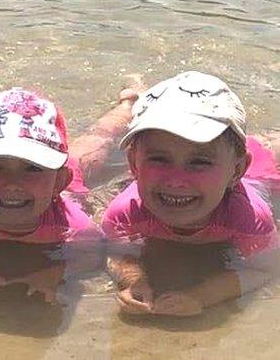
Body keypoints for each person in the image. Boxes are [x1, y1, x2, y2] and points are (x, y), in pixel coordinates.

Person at [0, 87, 137, 303]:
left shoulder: (75, 228)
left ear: (60, 181)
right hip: (45, 176)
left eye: (32, 168)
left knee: (98, 142)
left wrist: (54, 274)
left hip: (68, 182)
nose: (12, 183)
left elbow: (90, 256)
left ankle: (128, 105)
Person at [103, 71, 280, 317]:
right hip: (225, 160)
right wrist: (132, 279)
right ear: (133, 163)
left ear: (237, 170)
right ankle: (133, 97)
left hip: (260, 169)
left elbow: (264, 269)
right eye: (158, 158)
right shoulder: (125, 212)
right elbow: (116, 252)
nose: (176, 181)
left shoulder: (249, 216)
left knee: (271, 147)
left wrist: (202, 296)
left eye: (199, 162)